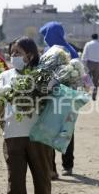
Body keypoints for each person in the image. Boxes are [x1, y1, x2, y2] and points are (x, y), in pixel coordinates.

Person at [0, 37, 52, 194]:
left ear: (30, 55)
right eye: (12, 53)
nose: (13, 56)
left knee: (42, 180)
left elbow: (55, 103)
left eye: (18, 52)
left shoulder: (44, 75)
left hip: (40, 136)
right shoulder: (5, 76)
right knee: (15, 183)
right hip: (13, 135)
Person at [39, 21, 78, 178]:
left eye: (45, 35)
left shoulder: (49, 51)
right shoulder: (72, 50)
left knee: (49, 131)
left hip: (53, 96)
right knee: (67, 130)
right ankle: (67, 166)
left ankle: (51, 168)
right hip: (68, 97)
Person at [81, 33, 99, 100]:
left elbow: (84, 54)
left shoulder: (88, 44)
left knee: (87, 79)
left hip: (89, 63)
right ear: (97, 38)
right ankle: (94, 96)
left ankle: (85, 94)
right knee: (96, 81)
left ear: (91, 37)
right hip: (97, 64)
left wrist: (83, 63)